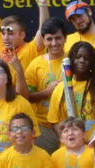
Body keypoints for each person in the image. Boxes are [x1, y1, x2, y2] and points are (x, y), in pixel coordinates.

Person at [25, 17, 69, 152]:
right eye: (49, 39)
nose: (54, 43)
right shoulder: (35, 65)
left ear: (65, 38)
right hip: (44, 127)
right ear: (43, 40)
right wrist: (47, 92)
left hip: (70, 126)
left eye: (58, 38)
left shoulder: (73, 61)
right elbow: (27, 97)